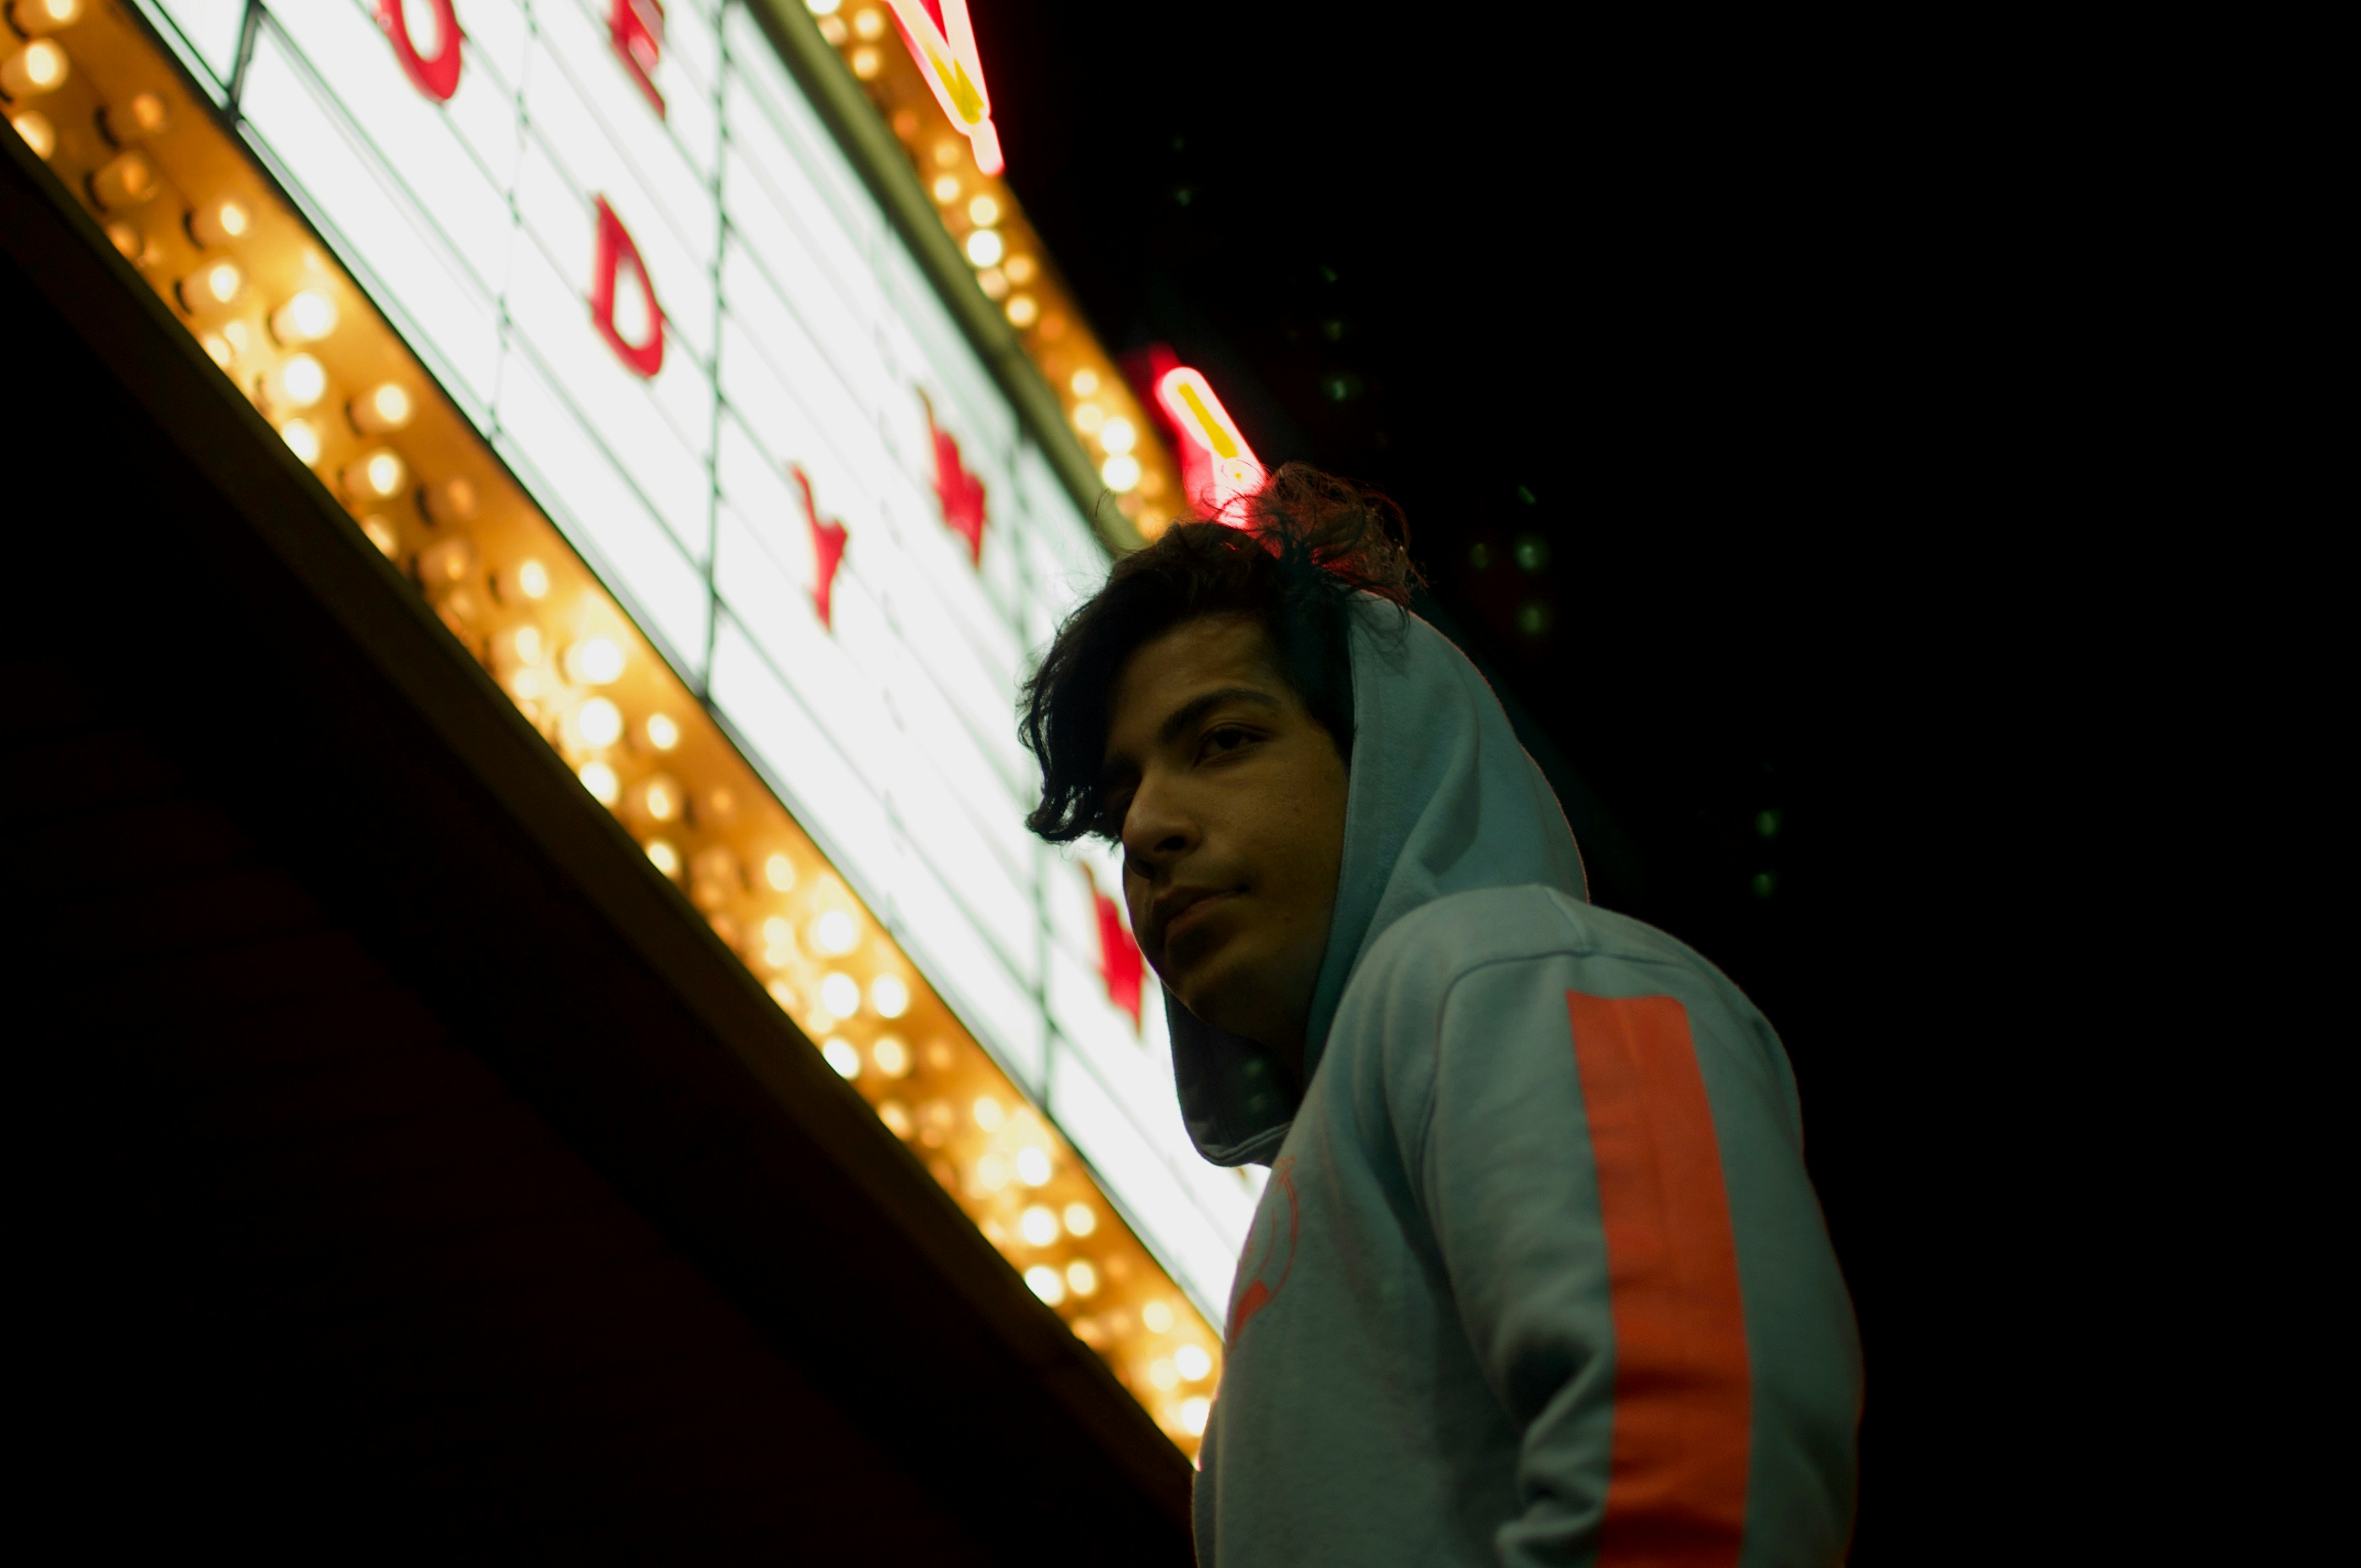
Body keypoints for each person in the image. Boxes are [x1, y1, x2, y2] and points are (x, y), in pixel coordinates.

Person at [1020, 466, 1860, 1567]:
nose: (1149, 828)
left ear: (1389, 756)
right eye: (1123, 796)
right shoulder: (1406, 1059)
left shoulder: (1509, 969)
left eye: (1222, 739)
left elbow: (1703, 1464)